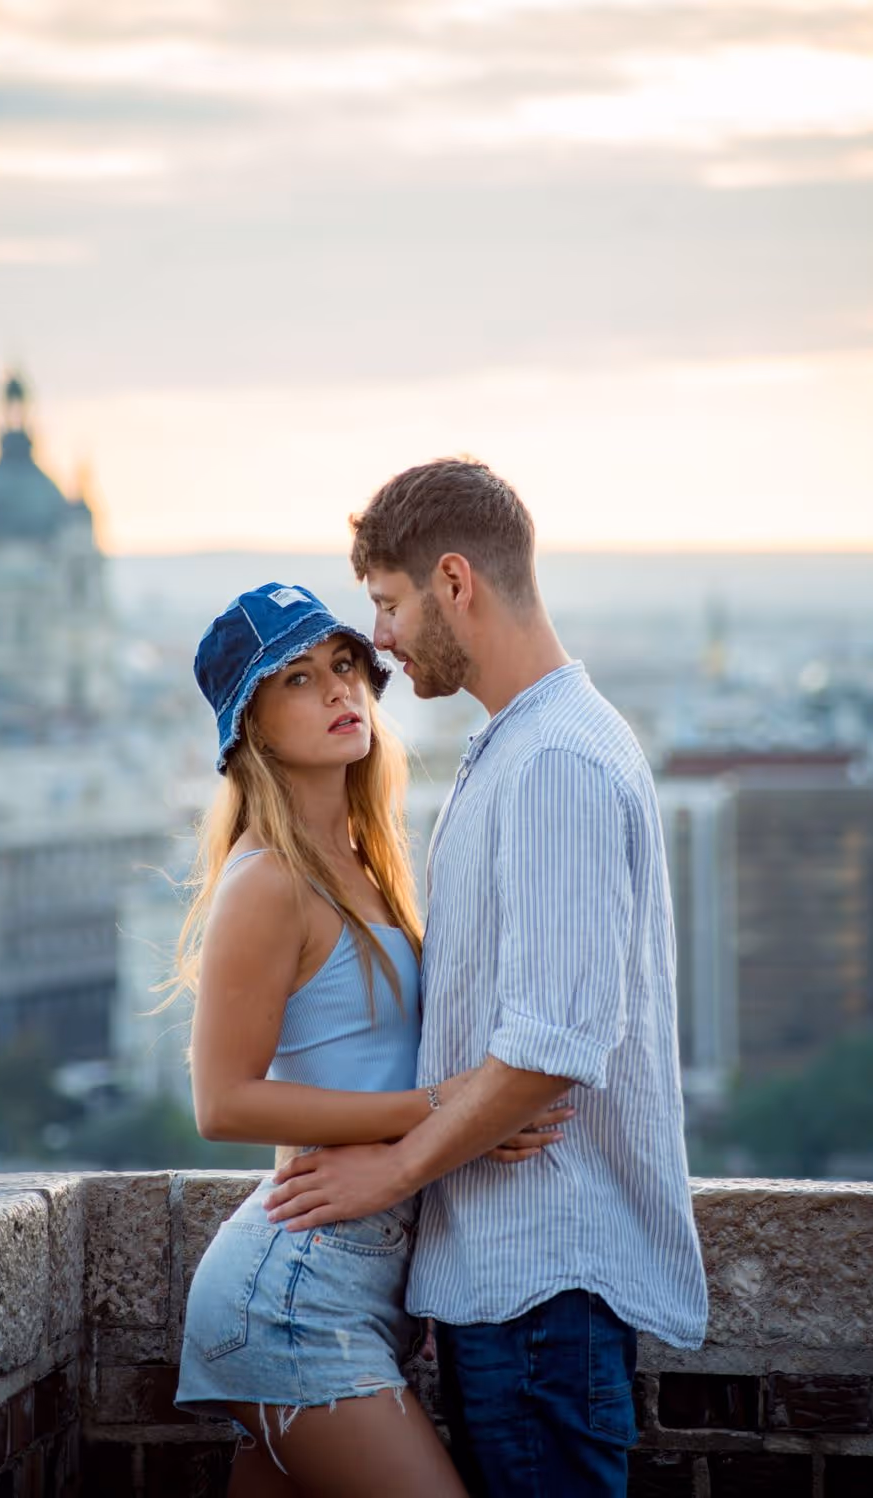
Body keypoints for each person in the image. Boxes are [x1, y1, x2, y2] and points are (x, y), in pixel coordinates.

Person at [266, 461, 709, 1498]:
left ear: (454, 581)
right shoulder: (522, 743)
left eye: (387, 602)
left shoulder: (555, 758)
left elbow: (553, 1046)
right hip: (511, 1288)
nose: (376, 637)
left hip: (538, 1288)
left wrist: (390, 1173)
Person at [171, 581, 570, 1498]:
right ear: (254, 731)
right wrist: (450, 1109)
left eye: (346, 665)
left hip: (357, 1286)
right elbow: (222, 1103)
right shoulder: (266, 881)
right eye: (299, 681)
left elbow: (326, 1080)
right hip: (296, 1297)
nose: (340, 691)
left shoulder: (366, 864)